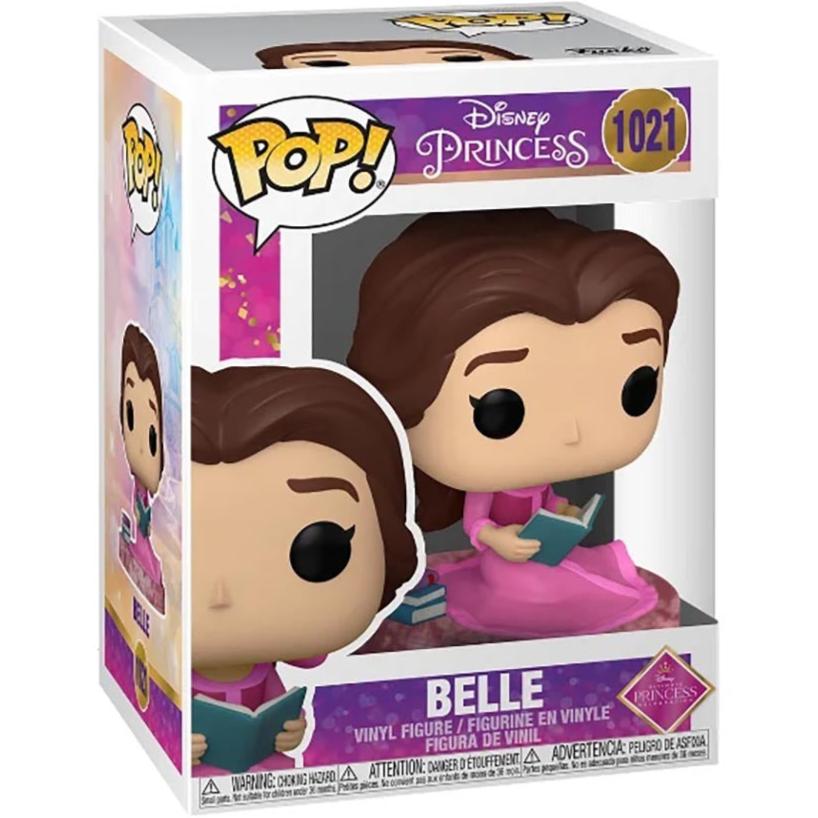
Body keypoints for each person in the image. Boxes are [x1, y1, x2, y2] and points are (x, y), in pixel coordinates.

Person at [348, 209, 680, 638]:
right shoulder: (490, 486)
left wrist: (564, 513)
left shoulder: (533, 476)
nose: (571, 433)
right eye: (500, 409)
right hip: (505, 566)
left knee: (569, 577)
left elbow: (548, 501)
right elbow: (476, 523)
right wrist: (500, 541)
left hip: (540, 553)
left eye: (637, 387)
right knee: (537, 590)